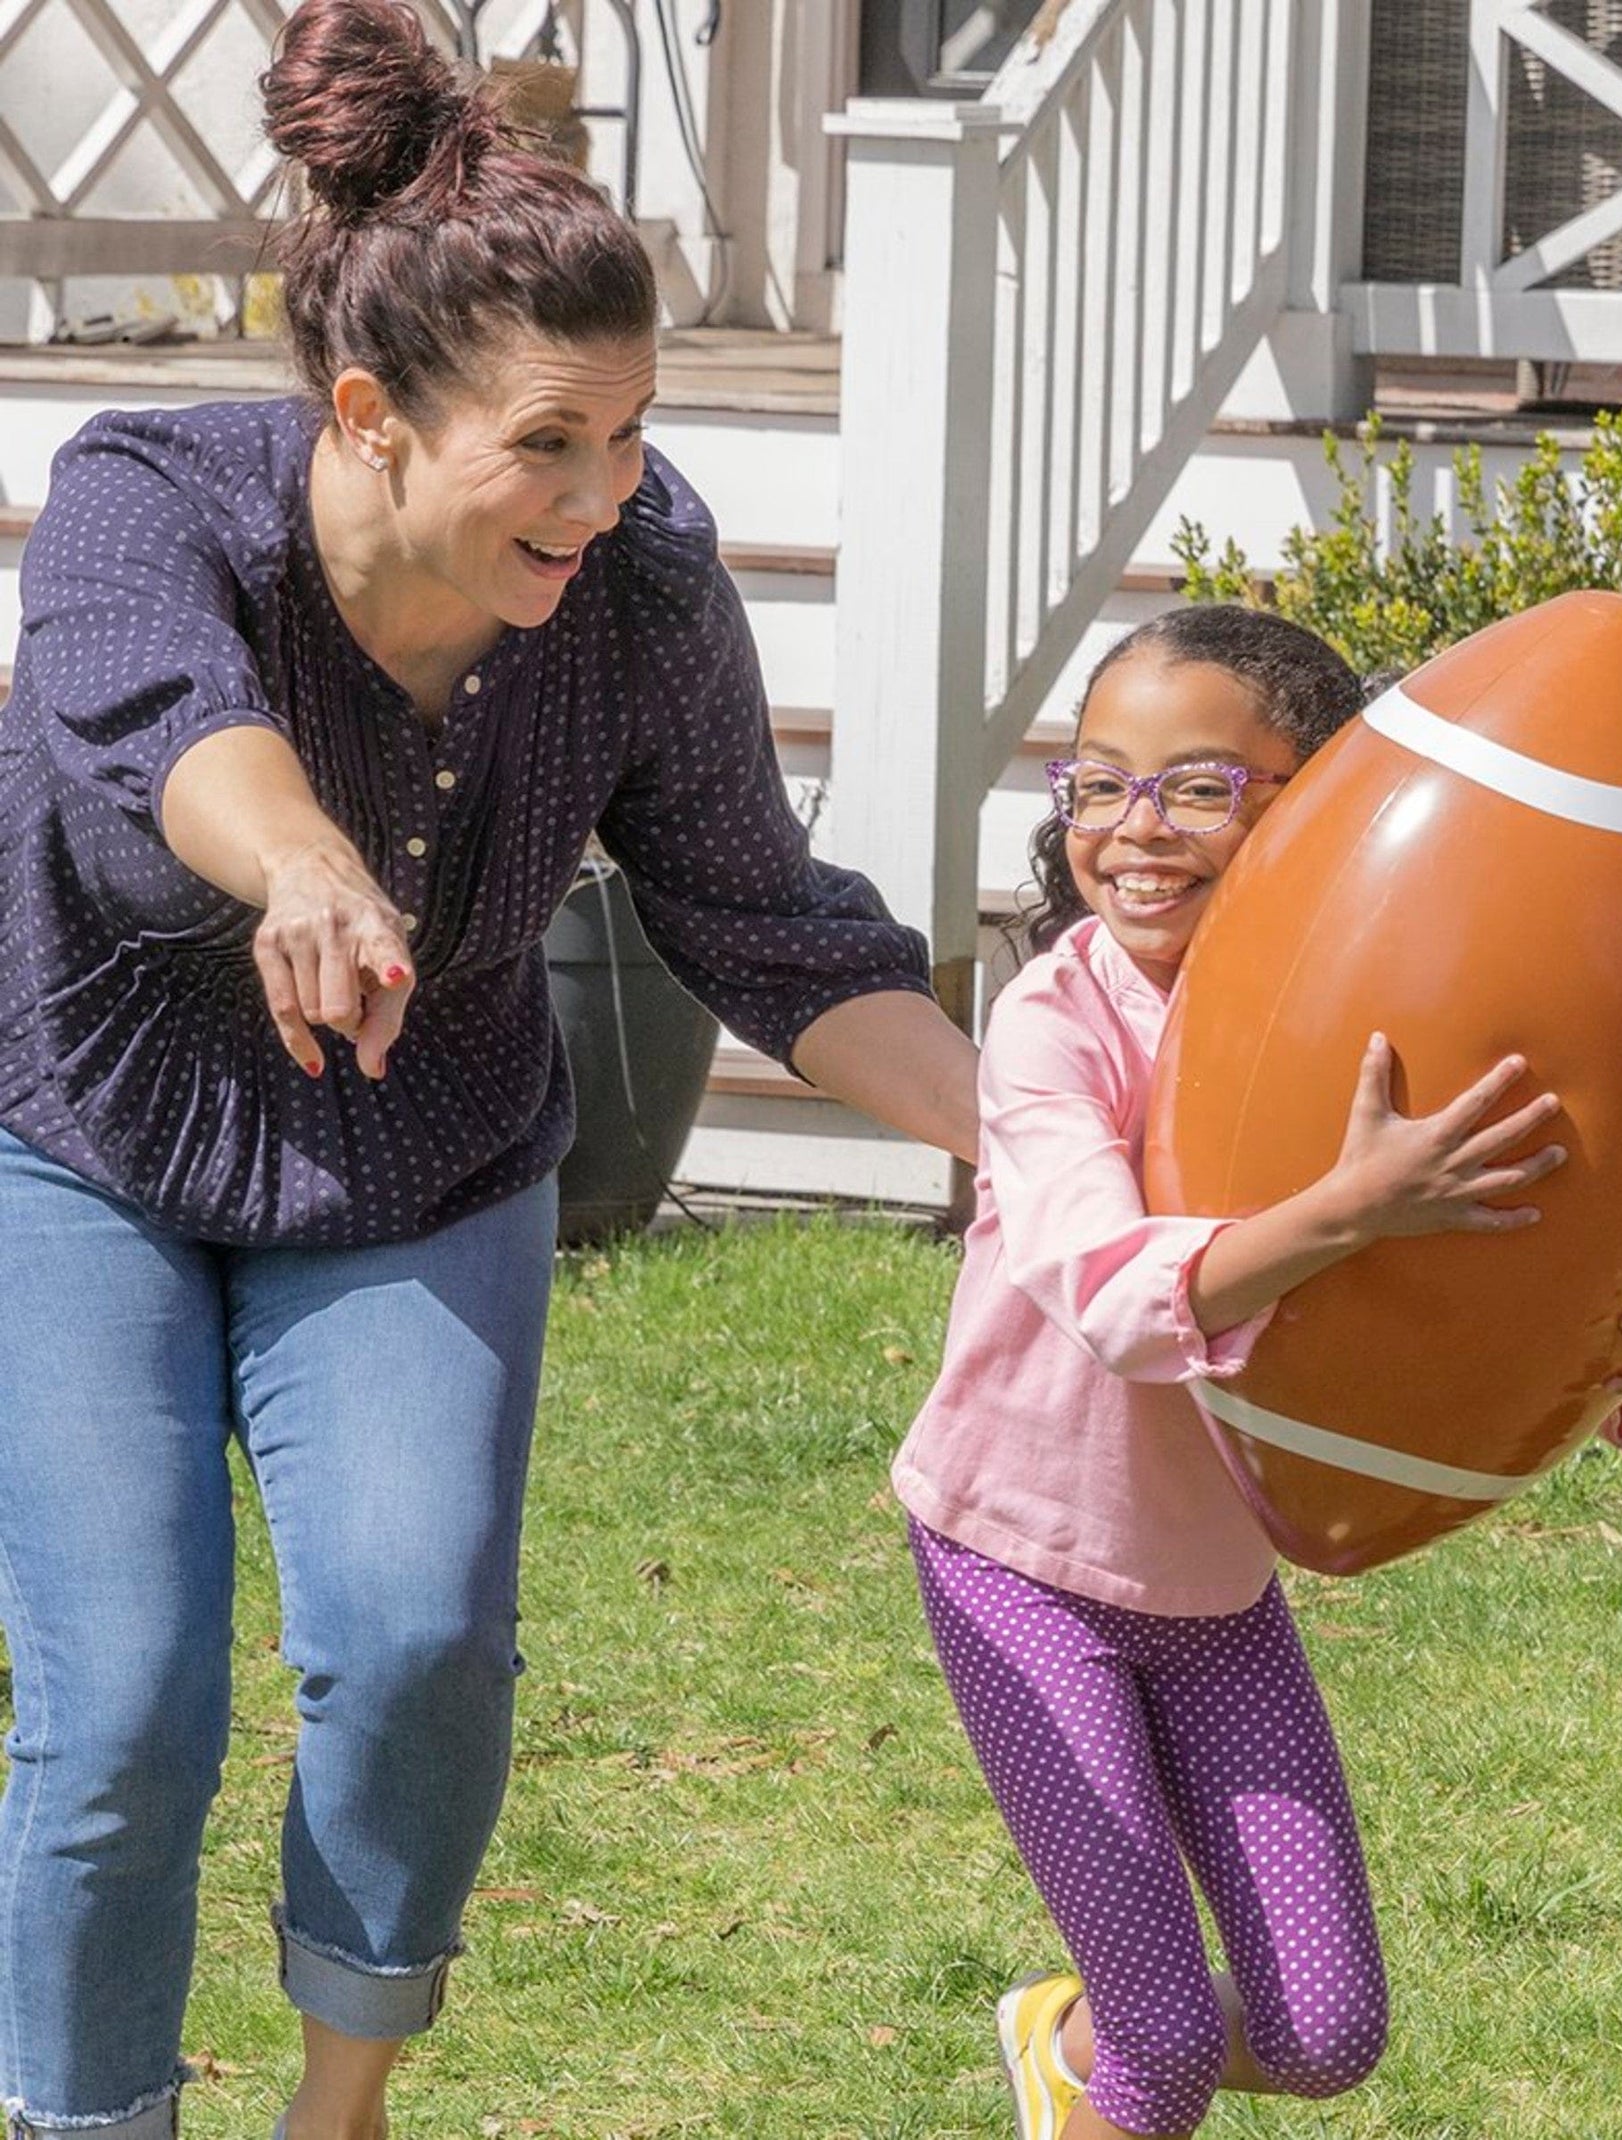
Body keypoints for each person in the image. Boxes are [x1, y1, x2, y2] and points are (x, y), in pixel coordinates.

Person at [0, 3, 977, 2135]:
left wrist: (1032, 1139)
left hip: (421, 1152)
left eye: (630, 432)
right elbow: (150, 729)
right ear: (368, 413)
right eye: (547, 440)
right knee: (125, 1702)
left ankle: (337, 2106)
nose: (600, 491)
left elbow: (757, 908)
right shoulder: (145, 498)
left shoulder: (634, 585)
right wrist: (308, 863)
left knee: (421, 1640)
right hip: (81, 1144)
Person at [890, 606, 1622, 2140]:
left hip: (1214, 1590)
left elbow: (1490, 1295)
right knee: (1167, 2041)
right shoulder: (1054, 1024)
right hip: (1015, 1562)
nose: (1136, 830)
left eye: (1200, 788)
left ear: (1325, 809)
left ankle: (1060, 2031)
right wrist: (1346, 1206)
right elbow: (1105, 1293)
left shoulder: (1382, 1027)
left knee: (1321, 2033)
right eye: (1099, 784)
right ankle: (1114, 2045)